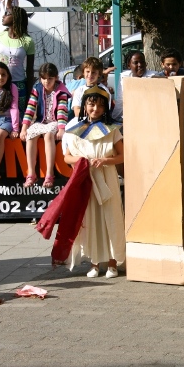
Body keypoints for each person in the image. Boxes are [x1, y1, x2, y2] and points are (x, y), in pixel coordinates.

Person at [57, 86, 126, 278]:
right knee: (91, 219)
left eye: (99, 106)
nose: (95, 109)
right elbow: (66, 157)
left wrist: (105, 160)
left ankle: (113, 262)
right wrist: (83, 161)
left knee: (110, 218)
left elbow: (122, 156)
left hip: (107, 178)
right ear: (85, 105)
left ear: (105, 109)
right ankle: (95, 263)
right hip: (86, 180)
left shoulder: (112, 130)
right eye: (91, 104)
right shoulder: (74, 130)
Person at [20, 63, 70, 188]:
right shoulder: (37, 88)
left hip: (55, 122)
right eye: (44, 78)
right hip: (42, 121)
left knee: (48, 136)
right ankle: (31, 173)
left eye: (50, 78)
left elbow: (62, 111)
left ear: (56, 78)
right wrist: (24, 128)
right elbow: (30, 109)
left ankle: (49, 173)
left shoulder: (61, 91)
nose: (46, 81)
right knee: (30, 135)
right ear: (40, 78)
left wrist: (61, 129)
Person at [0, 6, 35, 113]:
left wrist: (29, 92)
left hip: (18, 84)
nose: (3, 16)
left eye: (7, 13)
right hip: (0, 83)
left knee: (19, 114)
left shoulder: (28, 41)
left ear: (16, 18)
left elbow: (29, 69)